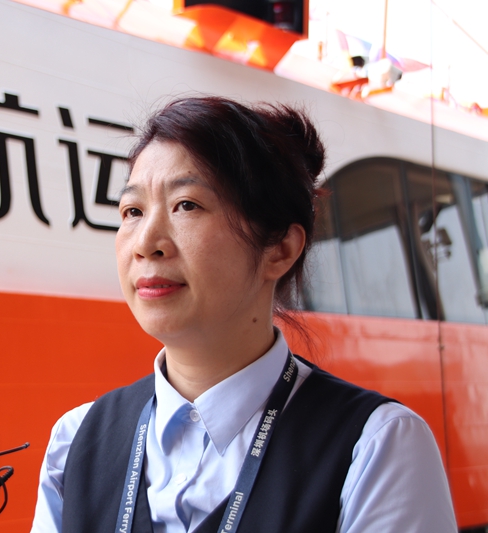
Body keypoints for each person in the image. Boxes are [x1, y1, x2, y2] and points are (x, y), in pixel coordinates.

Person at [29, 97, 457, 533]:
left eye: (186, 205)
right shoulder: (76, 441)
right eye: (133, 211)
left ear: (280, 249)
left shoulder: (376, 447)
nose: (145, 243)